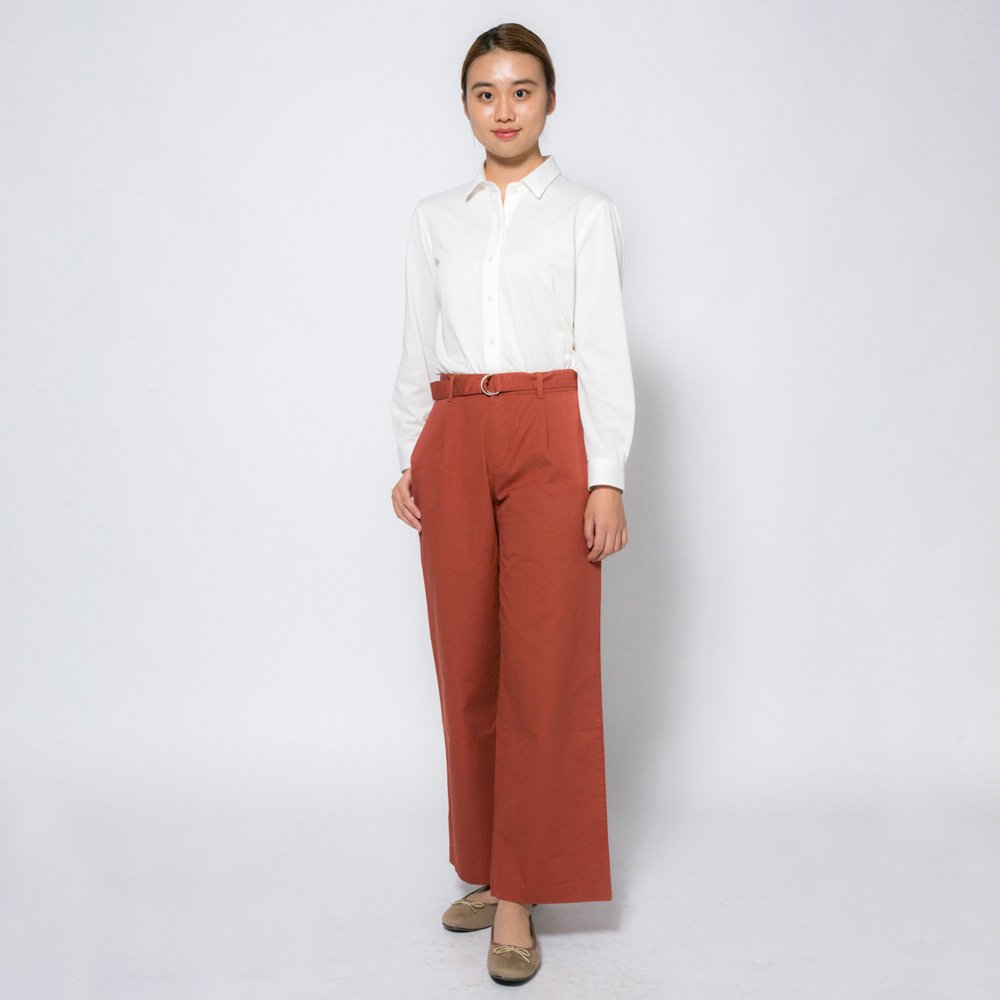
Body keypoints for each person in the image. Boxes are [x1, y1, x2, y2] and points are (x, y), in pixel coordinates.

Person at [389, 22, 635, 987]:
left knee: (544, 665)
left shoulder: (585, 214)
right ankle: (492, 865)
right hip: (455, 429)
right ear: (465, 105)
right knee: (468, 667)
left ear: (550, 101)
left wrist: (605, 472)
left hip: (548, 428)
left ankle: (522, 894)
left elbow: (603, 346)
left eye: (521, 90)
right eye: (485, 92)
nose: (504, 109)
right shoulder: (432, 218)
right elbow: (416, 343)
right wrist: (409, 453)